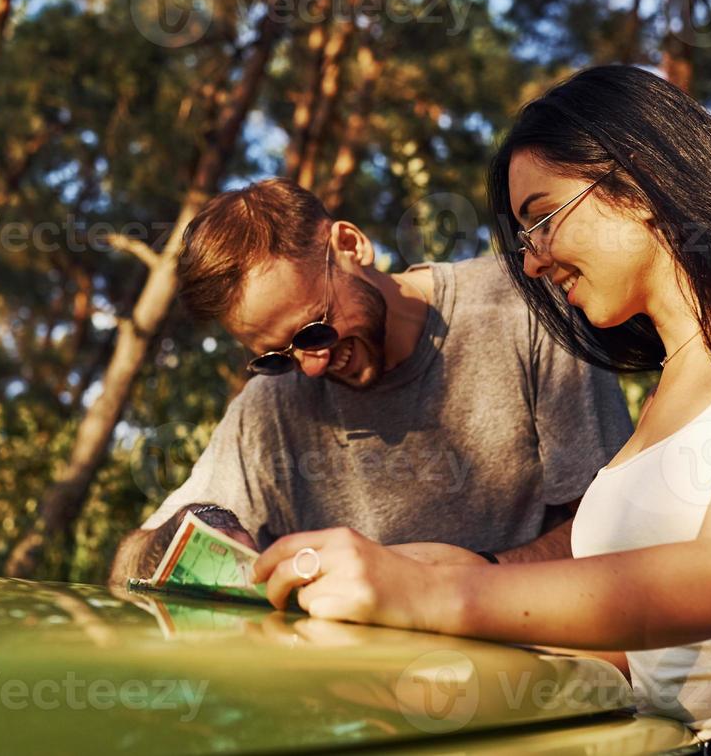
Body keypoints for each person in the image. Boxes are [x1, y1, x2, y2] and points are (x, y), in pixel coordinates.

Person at [252, 65, 711, 755]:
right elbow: (644, 652)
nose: (530, 261)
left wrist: (442, 590)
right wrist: (434, 575)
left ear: (643, 181)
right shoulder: (662, 395)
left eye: (541, 219)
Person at [109, 177, 634, 586]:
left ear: (350, 244)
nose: (310, 367)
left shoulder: (521, 307)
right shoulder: (270, 407)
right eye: (276, 357)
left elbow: (610, 536)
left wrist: (448, 582)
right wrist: (196, 523)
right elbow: (133, 560)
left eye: (313, 329)